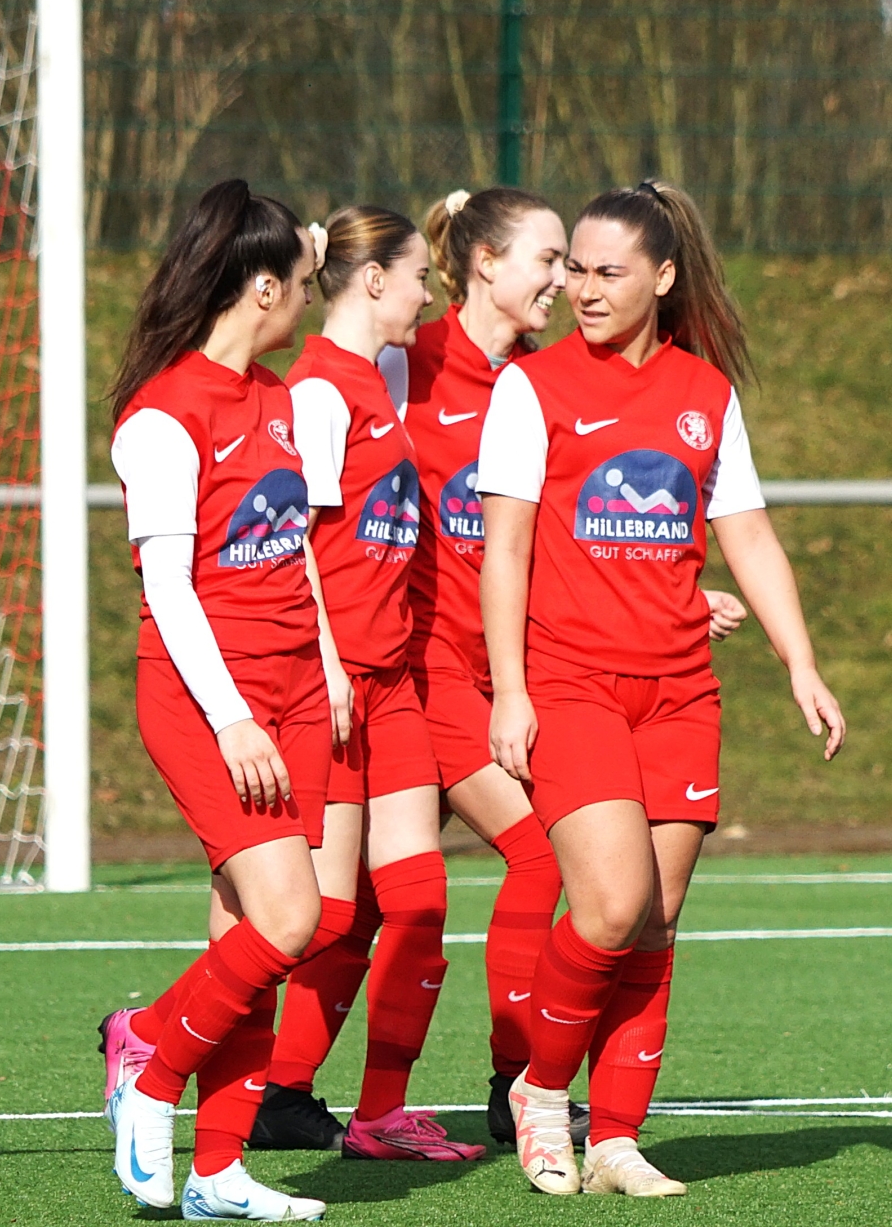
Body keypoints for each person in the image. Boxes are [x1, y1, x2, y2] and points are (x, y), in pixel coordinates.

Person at [477, 179, 845, 1197]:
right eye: (574, 270)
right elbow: (505, 551)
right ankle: (541, 1090)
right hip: (570, 682)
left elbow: (749, 537)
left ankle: (617, 1138)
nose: (583, 289)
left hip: (679, 690)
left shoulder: (705, 394)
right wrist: (509, 689)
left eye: (608, 272)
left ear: (664, 276)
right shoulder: (531, 387)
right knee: (610, 902)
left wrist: (801, 663)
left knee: (657, 919)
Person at [398, 187, 747, 1147]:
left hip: (525, 671)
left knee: (597, 892)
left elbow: (597, 532)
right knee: (372, 893)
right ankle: (487, 1085)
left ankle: (541, 1098)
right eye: (554, 261)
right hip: (439, 672)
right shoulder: (407, 366)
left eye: (586, 266)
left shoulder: (554, 380)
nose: (568, 283)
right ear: (484, 265)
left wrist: (680, 597)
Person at [98, 178, 336, 1222]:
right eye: (301, 282)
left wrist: (322, 670)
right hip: (210, 700)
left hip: (294, 692)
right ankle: (148, 1061)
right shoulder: (165, 414)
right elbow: (169, 587)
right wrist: (234, 714)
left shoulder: (280, 398)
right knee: (292, 917)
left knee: (250, 932)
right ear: (263, 287)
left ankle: (219, 1170)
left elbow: (291, 554)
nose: (311, 298)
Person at [250, 205, 481, 1162]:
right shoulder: (318, 392)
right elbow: (292, 541)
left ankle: (381, 1115)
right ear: (375, 279)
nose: (429, 295)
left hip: (391, 684)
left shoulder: (374, 378)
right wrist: (329, 662)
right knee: (328, 914)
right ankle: (165, 1037)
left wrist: (451, 229)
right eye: (419, 276)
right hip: (336, 685)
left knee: (419, 900)